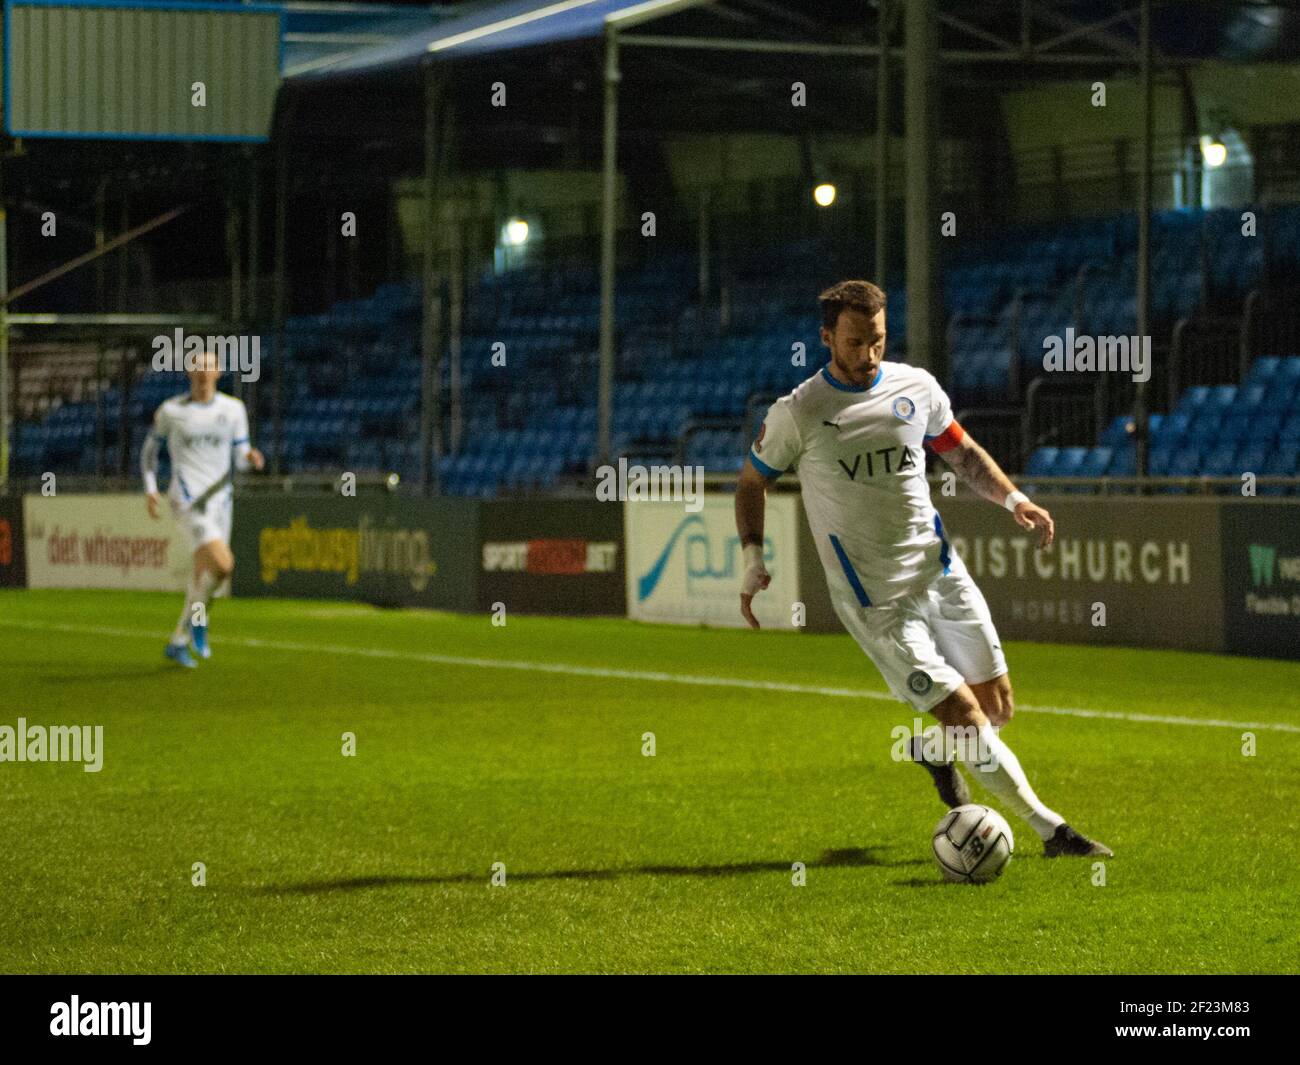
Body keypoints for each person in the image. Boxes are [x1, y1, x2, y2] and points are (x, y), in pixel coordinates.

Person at [734, 280, 1111, 857]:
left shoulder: (916, 387)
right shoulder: (801, 411)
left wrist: (1015, 501)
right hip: (876, 603)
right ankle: (1051, 830)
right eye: (855, 342)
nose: (868, 355)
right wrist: (753, 559)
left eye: (878, 341)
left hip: (941, 573)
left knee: (997, 708)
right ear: (827, 337)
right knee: (964, 715)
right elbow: (752, 480)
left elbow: (960, 452)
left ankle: (933, 751)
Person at [142, 350, 263, 668]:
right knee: (223, 565)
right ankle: (198, 621)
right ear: (188, 372)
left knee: (206, 577)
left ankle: (178, 641)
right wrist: (151, 487)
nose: (202, 371)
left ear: (219, 371)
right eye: (196, 365)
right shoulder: (171, 411)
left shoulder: (233, 410)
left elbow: (239, 455)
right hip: (188, 500)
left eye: (208, 366)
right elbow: (150, 451)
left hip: (222, 502)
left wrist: (250, 459)